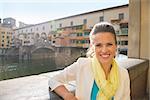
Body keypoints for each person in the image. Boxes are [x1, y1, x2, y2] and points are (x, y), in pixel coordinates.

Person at [48, 22, 130, 100]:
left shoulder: (123, 73)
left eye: (109, 44)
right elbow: (53, 80)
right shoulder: (82, 65)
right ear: (92, 47)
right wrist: (67, 95)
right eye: (98, 45)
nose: (104, 50)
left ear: (116, 46)